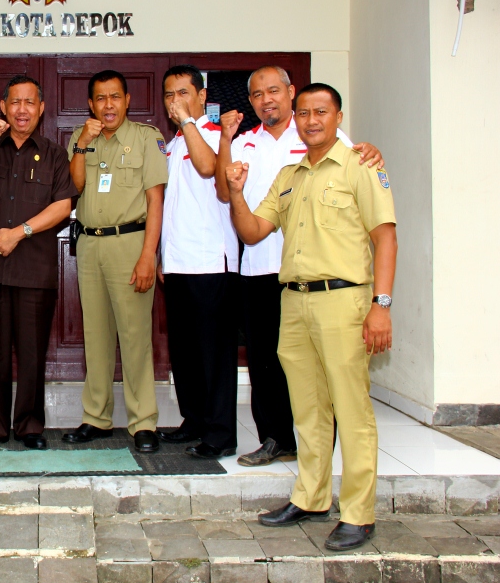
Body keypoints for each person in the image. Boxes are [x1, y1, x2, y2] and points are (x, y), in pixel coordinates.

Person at [225, 83, 396, 551]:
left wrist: (381, 306)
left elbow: (385, 238)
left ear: (338, 116)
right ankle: (312, 497)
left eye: (321, 112)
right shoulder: (289, 175)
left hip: (344, 301)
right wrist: (236, 193)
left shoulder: (362, 165)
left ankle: (359, 513)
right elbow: (253, 231)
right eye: (304, 113)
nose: (311, 120)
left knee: (351, 410)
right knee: (307, 409)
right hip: (295, 302)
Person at [213, 66, 384, 467]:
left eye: (274, 91)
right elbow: (224, 191)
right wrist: (225, 142)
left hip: (314, 272)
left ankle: (321, 445)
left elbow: (357, 163)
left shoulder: (314, 134)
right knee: (265, 362)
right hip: (259, 268)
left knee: (320, 367)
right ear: (250, 101)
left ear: (291, 92)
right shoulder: (245, 142)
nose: (266, 100)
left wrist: (374, 151)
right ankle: (276, 438)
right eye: (257, 94)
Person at [0, 75, 78, 451]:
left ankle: (29, 426)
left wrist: (19, 232)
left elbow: (63, 205)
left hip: (34, 270)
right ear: (3, 107)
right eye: (15, 102)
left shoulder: (54, 154)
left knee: (31, 354)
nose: (22, 109)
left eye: (30, 102)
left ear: (41, 108)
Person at [65, 70, 166, 453]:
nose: (108, 105)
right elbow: (75, 187)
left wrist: (148, 255)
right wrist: (82, 145)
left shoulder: (146, 138)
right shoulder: (81, 137)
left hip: (131, 243)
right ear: (91, 104)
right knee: (96, 336)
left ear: (127, 100)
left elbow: (156, 200)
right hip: (90, 245)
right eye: (100, 98)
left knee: (135, 335)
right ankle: (97, 417)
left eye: (115, 97)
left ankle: (143, 422)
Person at [157, 64, 240, 460]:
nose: (175, 102)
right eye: (169, 95)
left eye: (183, 93)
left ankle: (221, 434)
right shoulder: (173, 144)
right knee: (185, 351)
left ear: (202, 96)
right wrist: (162, 255)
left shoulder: (215, 135)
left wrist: (189, 121)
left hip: (210, 262)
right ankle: (193, 420)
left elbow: (209, 169)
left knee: (214, 354)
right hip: (178, 263)